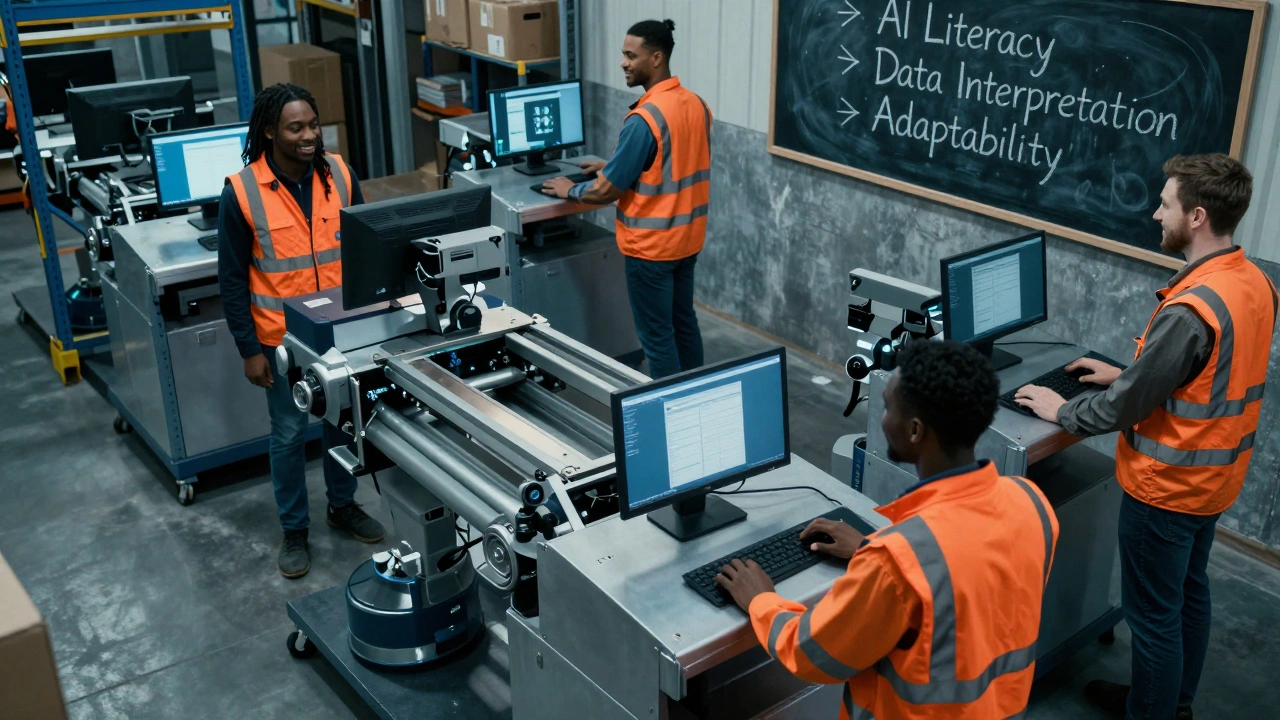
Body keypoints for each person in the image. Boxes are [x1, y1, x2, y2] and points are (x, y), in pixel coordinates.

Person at [1014, 154, 1277, 720]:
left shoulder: (1191, 309)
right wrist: (1130, 372)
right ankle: (1170, 705)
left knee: (1154, 617)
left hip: (1166, 488)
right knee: (1187, 597)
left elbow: (1125, 406)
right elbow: (1205, 373)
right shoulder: (1252, 282)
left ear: (1198, 216)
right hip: (1214, 480)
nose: (1156, 212)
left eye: (1167, 203)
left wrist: (1065, 410)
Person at [718, 340, 1060, 719]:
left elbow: (811, 653)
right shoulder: (1031, 501)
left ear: (915, 430)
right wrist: (871, 545)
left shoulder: (897, 561)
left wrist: (761, 600)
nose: (882, 419)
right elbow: (970, 583)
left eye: (887, 407)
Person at [218, 83, 385, 579]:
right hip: (281, 342)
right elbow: (231, 279)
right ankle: (294, 528)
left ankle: (342, 504)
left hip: (341, 332)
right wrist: (249, 349)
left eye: (314, 125)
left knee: (342, 424)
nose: (310, 136)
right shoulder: (243, 191)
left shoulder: (340, 173)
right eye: (297, 128)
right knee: (289, 435)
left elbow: (366, 246)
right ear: (270, 131)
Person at [540, 19, 711, 378]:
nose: (623, 62)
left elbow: (606, 191)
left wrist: (568, 190)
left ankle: (667, 408)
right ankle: (697, 391)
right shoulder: (696, 104)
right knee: (683, 322)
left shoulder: (644, 118)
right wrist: (613, 165)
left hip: (650, 249)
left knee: (657, 336)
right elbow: (672, 161)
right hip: (687, 241)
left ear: (657, 58)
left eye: (631, 55)